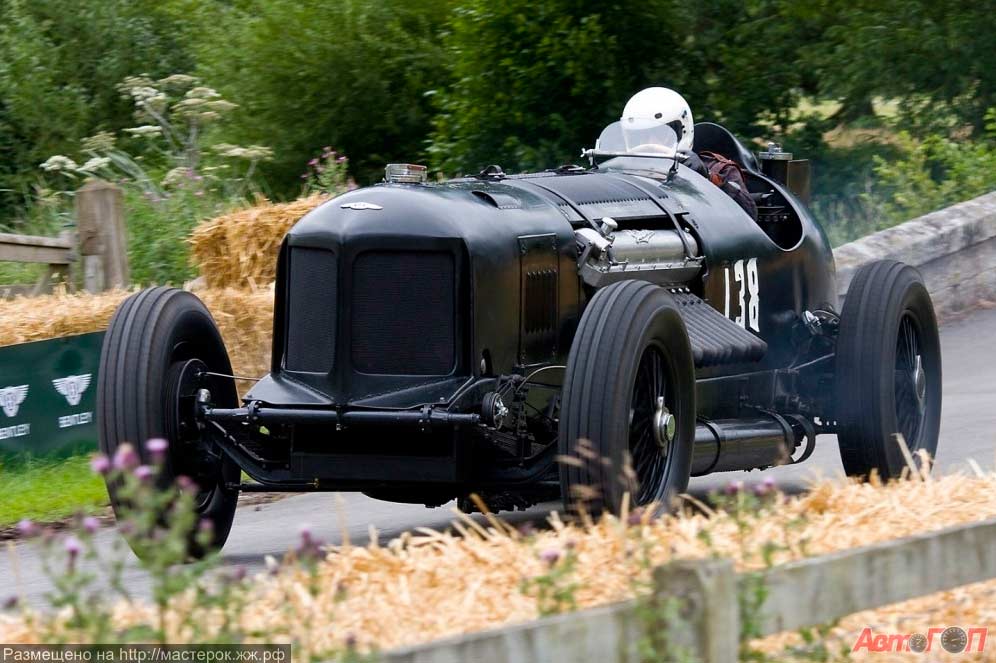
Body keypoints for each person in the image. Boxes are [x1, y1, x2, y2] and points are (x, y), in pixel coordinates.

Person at [620, 87, 757, 220]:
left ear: (683, 129)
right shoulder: (620, 171)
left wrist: (708, 177)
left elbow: (749, 215)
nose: (650, 142)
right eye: (641, 135)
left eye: (660, 133)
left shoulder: (718, 169)